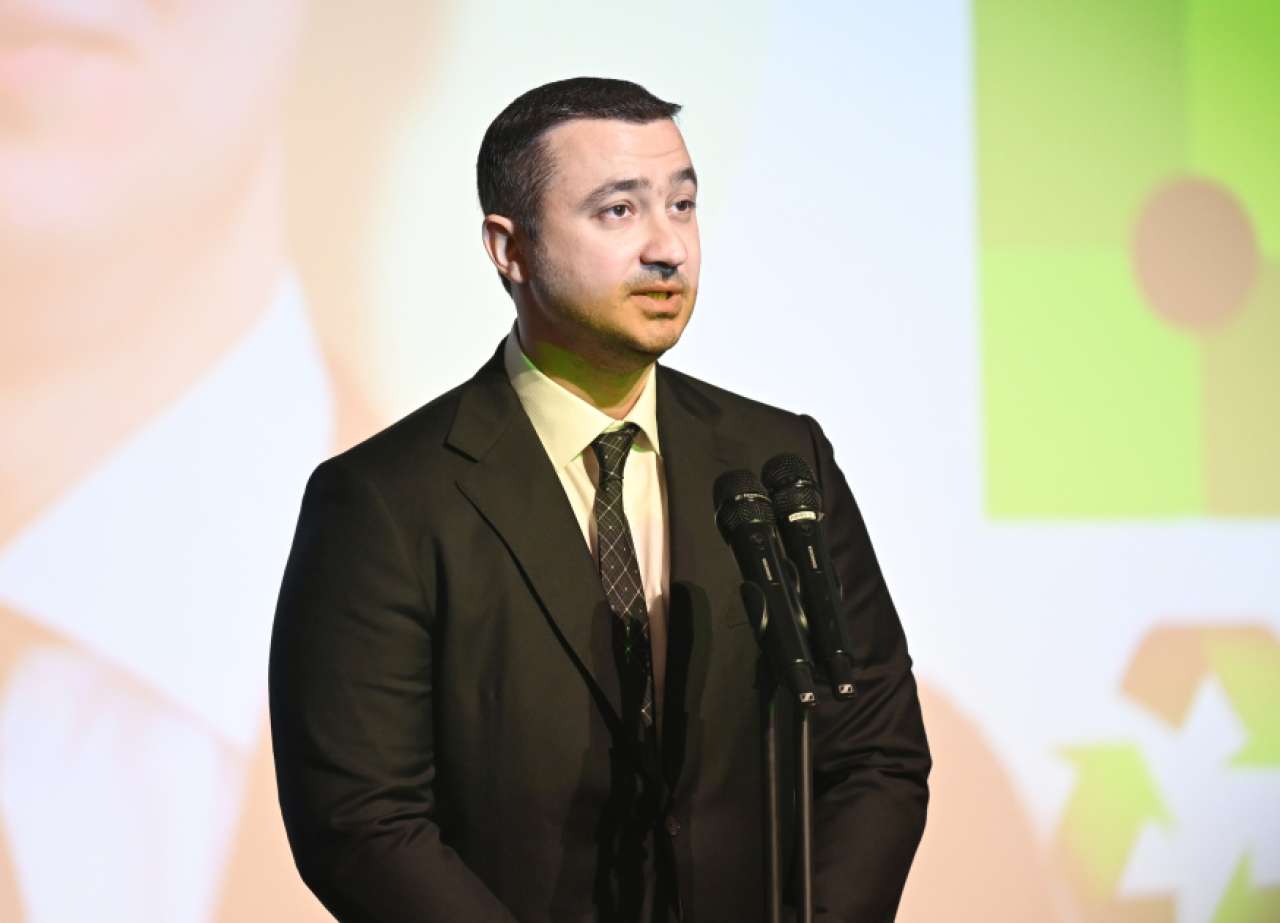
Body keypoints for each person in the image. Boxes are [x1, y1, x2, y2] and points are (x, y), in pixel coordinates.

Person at [270, 77, 931, 922]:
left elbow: (875, 751)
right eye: (620, 211)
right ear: (509, 248)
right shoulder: (385, 502)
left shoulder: (778, 462)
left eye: (683, 205)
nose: (669, 248)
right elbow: (361, 822)